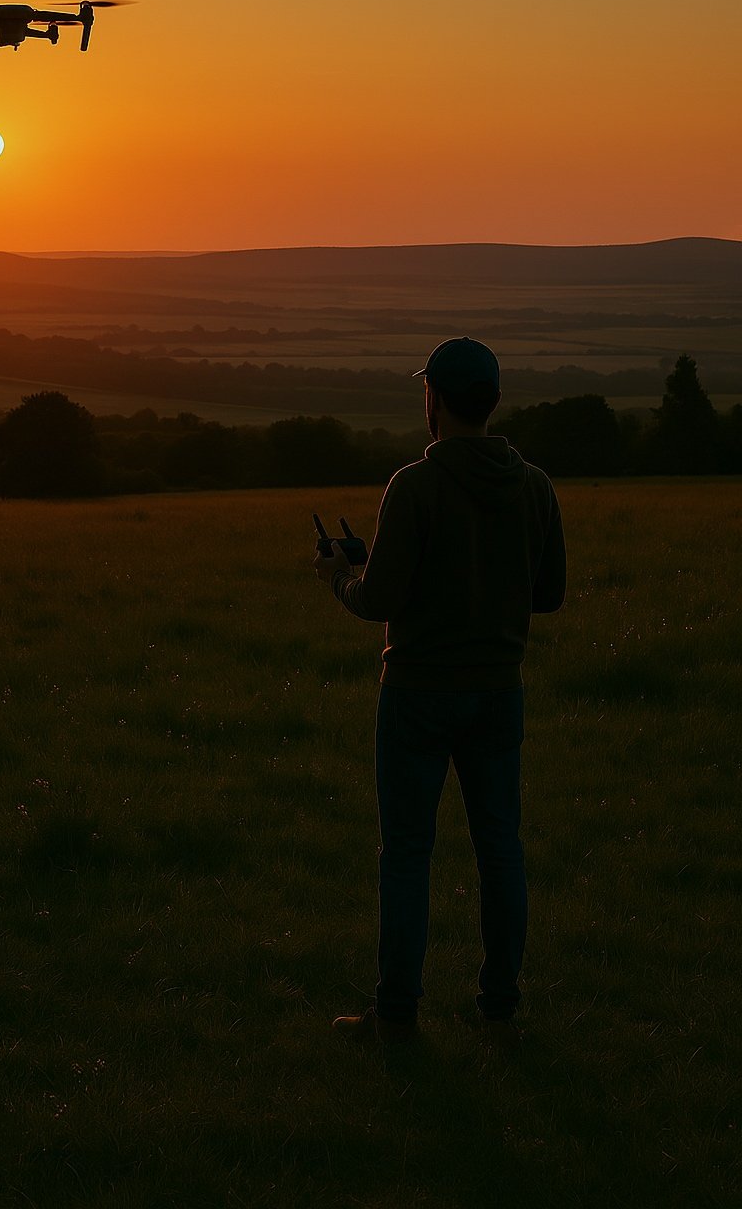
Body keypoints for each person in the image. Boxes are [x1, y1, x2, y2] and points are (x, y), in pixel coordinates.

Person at [315, 337, 566, 1046]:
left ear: (436, 400)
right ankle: (501, 1006)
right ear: (491, 400)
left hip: (417, 695)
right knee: (500, 850)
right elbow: (548, 594)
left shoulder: (415, 485)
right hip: (498, 693)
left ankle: (395, 1014)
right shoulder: (535, 485)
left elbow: (379, 600)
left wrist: (337, 579)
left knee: (406, 855)